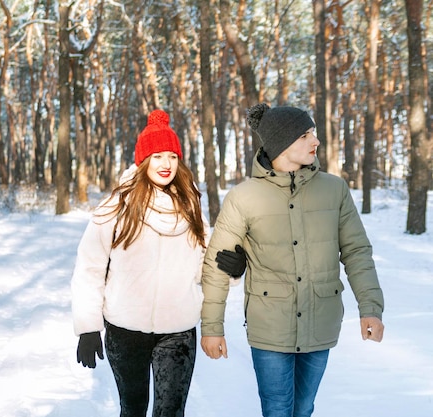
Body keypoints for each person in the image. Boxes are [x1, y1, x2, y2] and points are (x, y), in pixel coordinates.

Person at [200, 103, 385, 417]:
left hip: (321, 319)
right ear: (281, 142)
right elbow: (218, 266)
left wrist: (371, 308)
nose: (315, 141)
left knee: (303, 408)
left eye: (312, 132)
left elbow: (356, 252)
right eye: (305, 135)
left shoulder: (334, 190)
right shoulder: (243, 197)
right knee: (277, 409)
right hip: (269, 323)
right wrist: (212, 327)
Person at [72, 110, 242, 417]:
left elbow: (203, 263)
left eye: (172, 156)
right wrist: (88, 327)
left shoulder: (189, 204)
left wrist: (231, 269)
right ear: (143, 160)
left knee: (171, 412)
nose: (166, 164)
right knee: (133, 410)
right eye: (158, 155)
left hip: (178, 331)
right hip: (125, 329)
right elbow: (90, 268)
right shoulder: (117, 204)